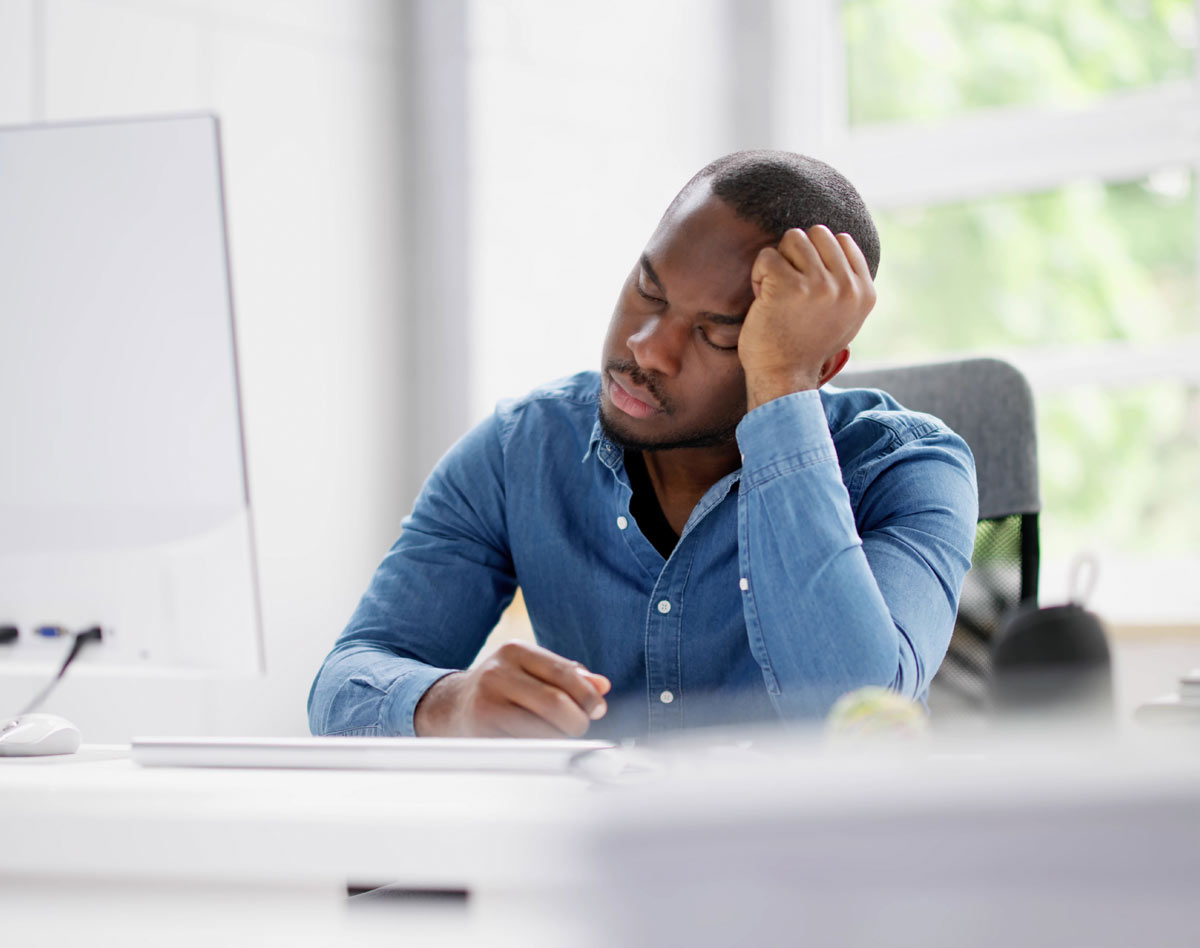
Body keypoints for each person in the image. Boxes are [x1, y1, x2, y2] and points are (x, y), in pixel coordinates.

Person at [307, 150, 978, 741]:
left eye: (718, 335)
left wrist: (780, 386)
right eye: (647, 290)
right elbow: (344, 684)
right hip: (608, 869)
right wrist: (450, 704)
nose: (646, 347)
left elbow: (850, 715)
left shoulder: (911, 470)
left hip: (818, 875)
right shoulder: (522, 451)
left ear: (818, 365)